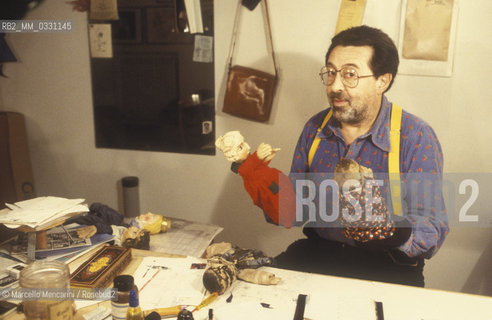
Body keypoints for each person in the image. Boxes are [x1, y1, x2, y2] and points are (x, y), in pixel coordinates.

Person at [273, 25, 449, 287]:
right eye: (331, 73)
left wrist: (389, 230)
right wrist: (268, 191)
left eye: (350, 74)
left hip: (388, 266)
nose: (335, 86)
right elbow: (297, 208)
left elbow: (433, 229)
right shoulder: (315, 129)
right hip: (321, 255)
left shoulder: (415, 136)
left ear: (382, 81)